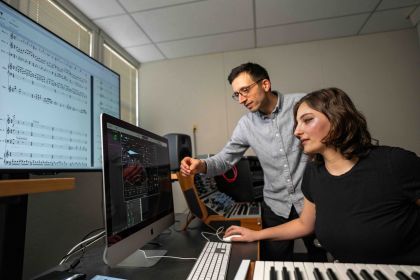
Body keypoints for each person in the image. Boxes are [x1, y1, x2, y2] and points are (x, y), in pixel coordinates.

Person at [224, 87, 420, 264]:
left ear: (337, 118)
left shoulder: (395, 162)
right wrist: (255, 235)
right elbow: (304, 224)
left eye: (307, 120)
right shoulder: (314, 172)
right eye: (297, 123)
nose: (296, 131)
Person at [180, 62, 326, 261]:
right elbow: (225, 159)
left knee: (322, 261)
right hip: (276, 207)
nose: (241, 99)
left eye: (245, 90)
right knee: (273, 264)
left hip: (314, 202)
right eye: (236, 94)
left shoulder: (301, 104)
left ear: (265, 84)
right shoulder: (246, 125)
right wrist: (202, 165)